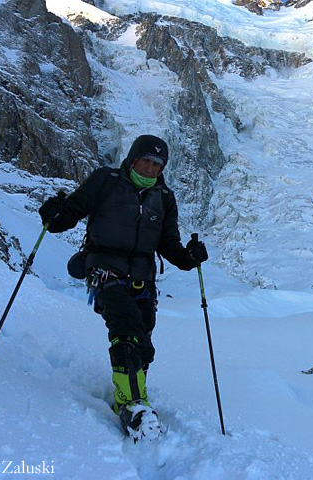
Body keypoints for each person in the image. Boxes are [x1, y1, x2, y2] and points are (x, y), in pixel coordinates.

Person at [38, 134, 208, 441]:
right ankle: (134, 406)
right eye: (147, 160)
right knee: (126, 330)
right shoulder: (106, 180)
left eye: (159, 164)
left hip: (143, 277)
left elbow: (168, 244)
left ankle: (128, 393)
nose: (152, 168)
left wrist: (188, 258)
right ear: (133, 159)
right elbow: (72, 211)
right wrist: (55, 214)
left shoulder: (164, 197)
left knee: (143, 342)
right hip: (103, 268)